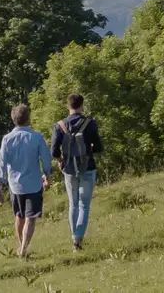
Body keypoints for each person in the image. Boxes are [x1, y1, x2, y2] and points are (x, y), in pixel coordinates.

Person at [0, 103, 53, 258]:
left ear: (14, 120)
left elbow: (1, 162)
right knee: (30, 218)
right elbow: (46, 159)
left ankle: (21, 246)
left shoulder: (7, 139)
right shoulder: (36, 137)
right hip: (33, 183)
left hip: (15, 185)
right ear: (28, 119)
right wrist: (47, 174)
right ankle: (24, 249)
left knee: (19, 216)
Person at [51, 93, 102, 251]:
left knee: (73, 204)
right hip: (87, 167)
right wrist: (90, 149)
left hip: (69, 170)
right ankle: (78, 240)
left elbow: (54, 151)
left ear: (68, 106)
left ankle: (74, 238)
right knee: (84, 205)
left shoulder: (59, 126)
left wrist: (61, 161)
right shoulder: (90, 123)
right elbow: (99, 147)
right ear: (82, 105)